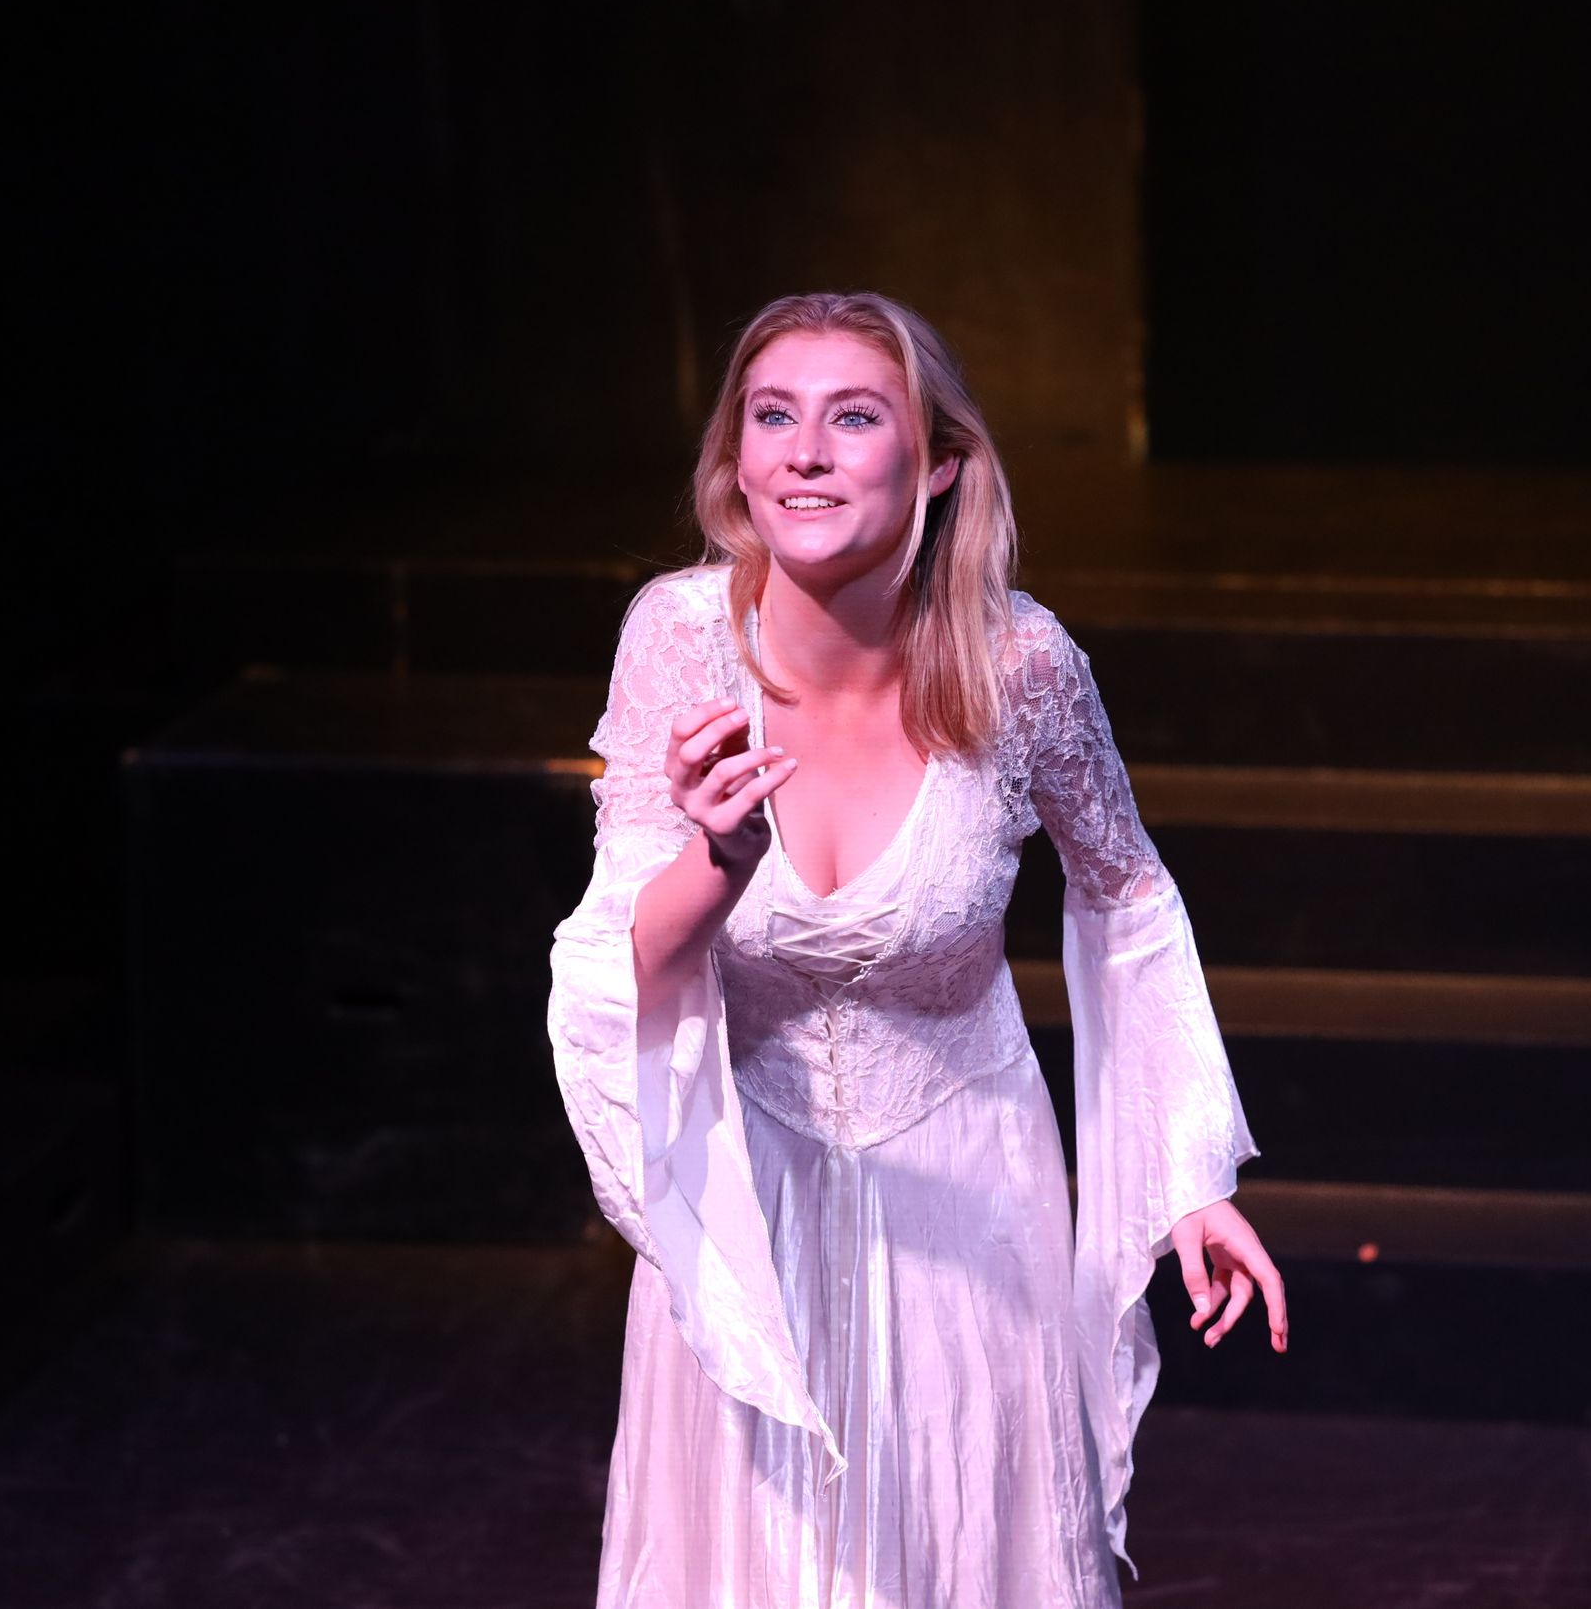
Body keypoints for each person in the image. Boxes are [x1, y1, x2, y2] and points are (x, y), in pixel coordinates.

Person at [548, 290, 1284, 1607]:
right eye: (773, 417)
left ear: (939, 462)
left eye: (853, 418)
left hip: (967, 1205)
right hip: (749, 1193)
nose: (805, 453)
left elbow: (1127, 896)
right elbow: (625, 966)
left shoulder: (1021, 665)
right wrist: (719, 860)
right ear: (735, 462)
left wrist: (1183, 1175)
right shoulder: (677, 639)